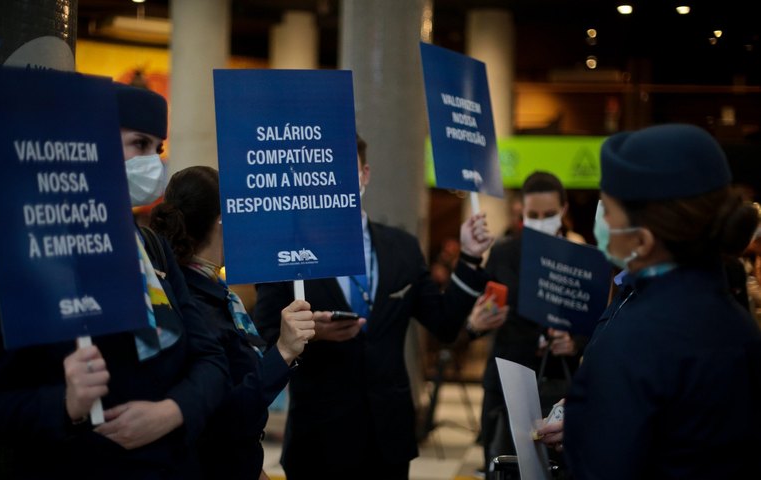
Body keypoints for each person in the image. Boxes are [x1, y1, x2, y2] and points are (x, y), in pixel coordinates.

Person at [0, 82, 230, 478]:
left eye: (159, 148)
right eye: (139, 143)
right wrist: (65, 404)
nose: (153, 162)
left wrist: (173, 411)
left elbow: (210, 358)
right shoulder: (26, 253)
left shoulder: (151, 245)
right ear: (89, 141)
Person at [252, 134, 499, 480]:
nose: (337, 182)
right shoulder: (288, 253)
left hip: (390, 438)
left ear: (365, 174)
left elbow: (443, 322)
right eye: (328, 172)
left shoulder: (402, 247)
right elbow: (263, 337)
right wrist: (310, 333)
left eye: (347, 171)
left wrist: (470, 258)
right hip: (319, 438)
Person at [535, 123, 761, 479]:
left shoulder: (635, 340)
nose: (601, 223)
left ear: (643, 238)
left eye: (608, 211)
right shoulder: (738, 324)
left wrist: (586, 425)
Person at [149, 165, 318, 480]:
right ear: (221, 221)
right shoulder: (190, 303)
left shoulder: (215, 292)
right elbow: (222, 415)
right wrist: (283, 351)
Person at [468, 171, 585, 469]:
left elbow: (597, 325)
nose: (541, 220)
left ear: (564, 210)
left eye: (549, 214)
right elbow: (480, 316)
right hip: (507, 383)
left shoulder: (581, 259)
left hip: (559, 386)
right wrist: (479, 321)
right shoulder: (504, 255)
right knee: (505, 467)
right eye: (533, 214)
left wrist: (574, 342)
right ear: (521, 211)